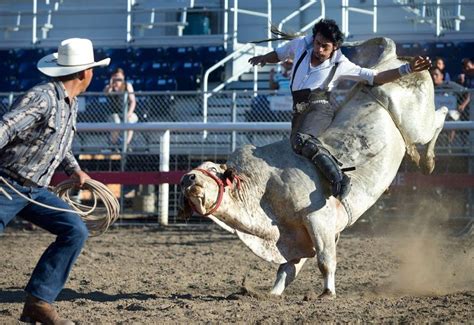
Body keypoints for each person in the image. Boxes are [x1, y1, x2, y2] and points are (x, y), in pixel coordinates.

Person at [248, 19, 431, 200]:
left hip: (320, 109)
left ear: (335, 47)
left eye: (324, 46)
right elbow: (280, 54)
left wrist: (407, 69)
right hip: (299, 111)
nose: (319, 49)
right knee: (296, 150)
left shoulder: (341, 64)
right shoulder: (300, 45)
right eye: (317, 43)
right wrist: (264, 58)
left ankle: (341, 179)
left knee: (301, 140)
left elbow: (376, 77)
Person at [0, 38, 110, 324]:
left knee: (75, 230)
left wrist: (74, 170)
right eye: (92, 70)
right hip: (7, 183)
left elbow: (57, 144)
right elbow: (7, 127)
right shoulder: (43, 97)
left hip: (34, 190)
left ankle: (38, 301)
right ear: (84, 73)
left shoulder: (69, 103)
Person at [430, 66, 470, 144]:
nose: (434, 77)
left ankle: (449, 145)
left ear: (442, 76)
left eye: (436, 75)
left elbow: (468, 93)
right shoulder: (430, 88)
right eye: (432, 75)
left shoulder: (450, 85)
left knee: (452, 117)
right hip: (436, 113)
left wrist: (463, 105)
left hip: (452, 112)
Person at [103, 68, 137, 146]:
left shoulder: (127, 85)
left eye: (119, 77)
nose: (118, 80)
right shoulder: (110, 87)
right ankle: (114, 144)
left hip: (127, 112)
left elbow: (133, 101)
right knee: (116, 122)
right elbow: (106, 93)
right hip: (114, 113)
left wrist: (129, 113)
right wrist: (111, 84)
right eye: (116, 77)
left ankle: (126, 144)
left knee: (130, 122)